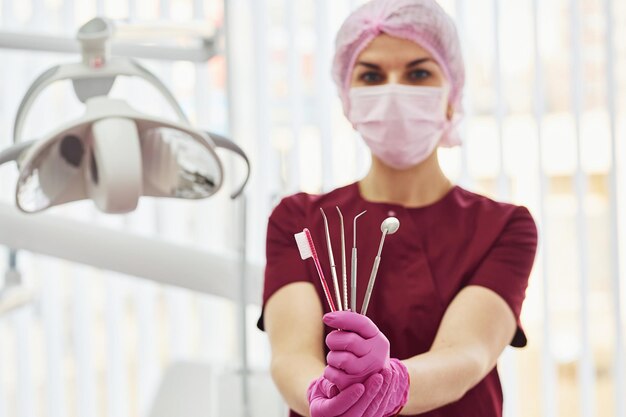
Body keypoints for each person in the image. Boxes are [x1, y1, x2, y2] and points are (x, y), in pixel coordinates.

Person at [256, 0, 538, 416]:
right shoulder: (299, 221)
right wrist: (323, 396)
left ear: (450, 96)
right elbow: (291, 355)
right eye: (371, 75)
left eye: (418, 72)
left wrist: (393, 386)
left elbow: (469, 353)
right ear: (348, 101)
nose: (393, 89)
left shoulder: (504, 226)